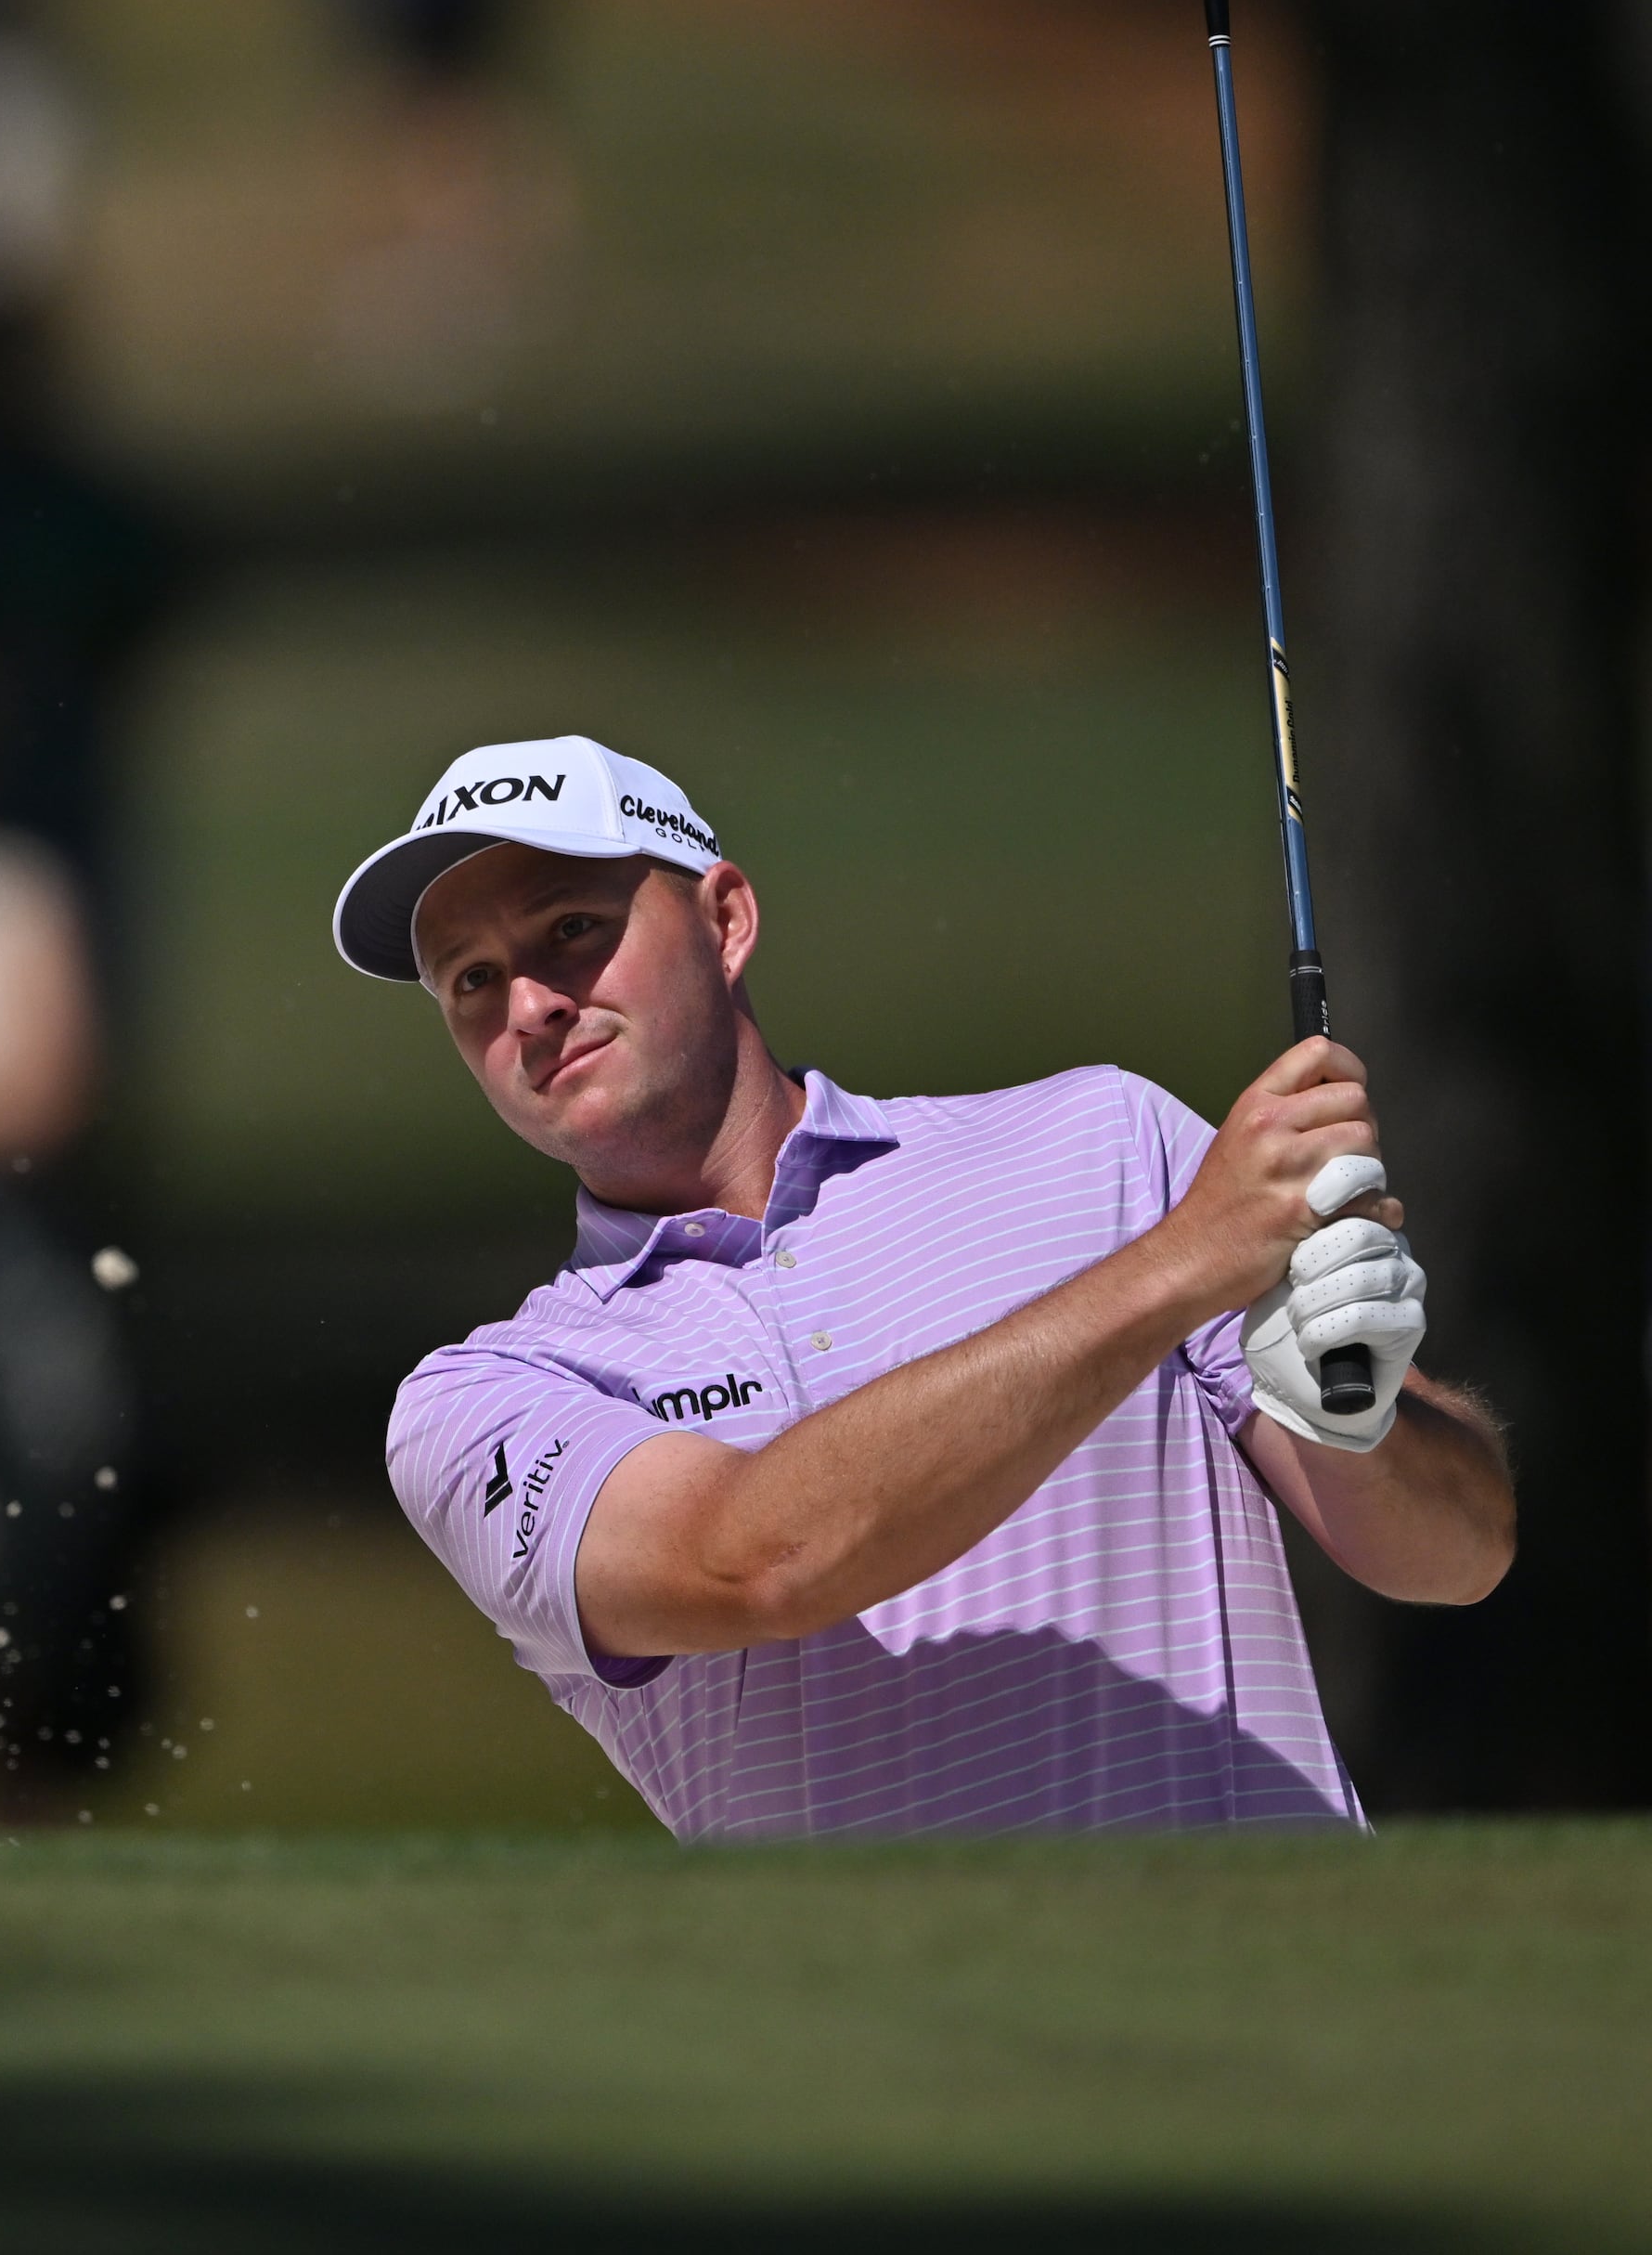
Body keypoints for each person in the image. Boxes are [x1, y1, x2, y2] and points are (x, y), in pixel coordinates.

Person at [336, 734, 1514, 1837]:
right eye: (472, 981)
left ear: (726, 921)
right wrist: (1181, 1264)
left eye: (572, 929)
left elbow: (1461, 1558)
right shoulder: (483, 1402)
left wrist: (1359, 1426)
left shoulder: (1106, 1142)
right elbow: (752, 1563)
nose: (530, 1006)